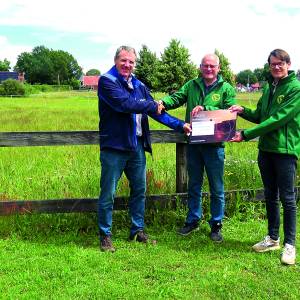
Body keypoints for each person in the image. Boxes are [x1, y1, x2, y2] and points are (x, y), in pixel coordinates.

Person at [97, 45, 191, 252]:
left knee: (140, 190)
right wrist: (150, 104)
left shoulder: (138, 84)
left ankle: (137, 230)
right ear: (116, 61)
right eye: (124, 60)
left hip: (137, 145)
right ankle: (105, 235)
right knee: (108, 193)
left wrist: (179, 125)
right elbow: (125, 105)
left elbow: (157, 111)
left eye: (131, 62)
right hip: (114, 146)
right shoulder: (107, 81)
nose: (127, 65)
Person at [230, 49, 300, 265]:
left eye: (280, 63)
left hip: (285, 151)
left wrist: (246, 134)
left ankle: (290, 245)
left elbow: (278, 119)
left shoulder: (295, 89)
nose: (276, 67)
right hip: (266, 150)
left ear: (288, 64)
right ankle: (272, 238)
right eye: (273, 64)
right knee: (270, 195)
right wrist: (242, 110)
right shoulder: (270, 87)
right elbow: (262, 115)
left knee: (287, 199)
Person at [161, 53, 236, 242]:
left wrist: (205, 107)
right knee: (194, 184)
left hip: (215, 145)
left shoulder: (226, 88)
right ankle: (193, 220)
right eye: (205, 66)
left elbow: (229, 112)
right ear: (200, 67)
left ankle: (216, 224)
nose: (209, 69)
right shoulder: (191, 85)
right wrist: (163, 103)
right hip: (194, 143)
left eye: (212, 66)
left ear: (219, 68)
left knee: (216, 187)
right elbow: (177, 98)